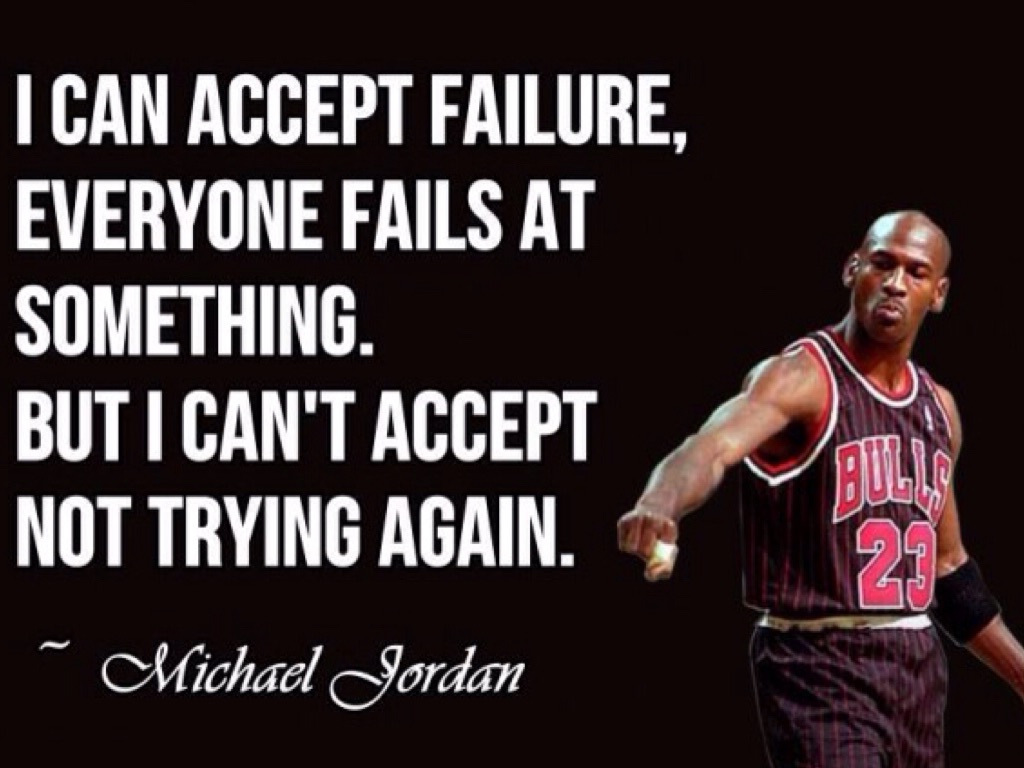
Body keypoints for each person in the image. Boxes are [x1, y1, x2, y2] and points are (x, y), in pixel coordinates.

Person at [617, 210, 1024, 767]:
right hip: (816, 662)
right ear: (853, 269)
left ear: (939, 293)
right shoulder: (801, 377)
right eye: (881, 263)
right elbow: (709, 446)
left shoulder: (939, 410)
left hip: (916, 668)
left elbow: (948, 570)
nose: (895, 282)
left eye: (916, 271)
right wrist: (659, 502)